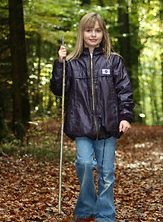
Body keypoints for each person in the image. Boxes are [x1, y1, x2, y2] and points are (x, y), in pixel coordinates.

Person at [50, 13, 134, 222]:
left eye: (97, 30)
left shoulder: (113, 61)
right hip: (80, 124)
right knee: (85, 164)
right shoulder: (71, 62)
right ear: (82, 33)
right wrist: (60, 64)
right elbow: (58, 90)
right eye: (89, 30)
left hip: (109, 125)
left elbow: (124, 91)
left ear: (103, 33)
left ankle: (105, 214)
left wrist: (125, 116)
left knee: (106, 173)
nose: (93, 34)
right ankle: (86, 207)